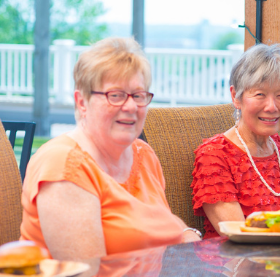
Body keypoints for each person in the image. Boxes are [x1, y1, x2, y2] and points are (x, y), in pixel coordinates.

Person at [20, 38, 201, 261]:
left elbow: (157, 222)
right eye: (115, 95)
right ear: (82, 102)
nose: (131, 106)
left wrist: (186, 233)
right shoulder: (64, 165)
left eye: (138, 95)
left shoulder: (143, 155)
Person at [191, 44, 280, 239]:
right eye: (260, 94)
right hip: (237, 265)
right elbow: (237, 234)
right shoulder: (214, 155)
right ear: (236, 97)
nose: (271, 106)